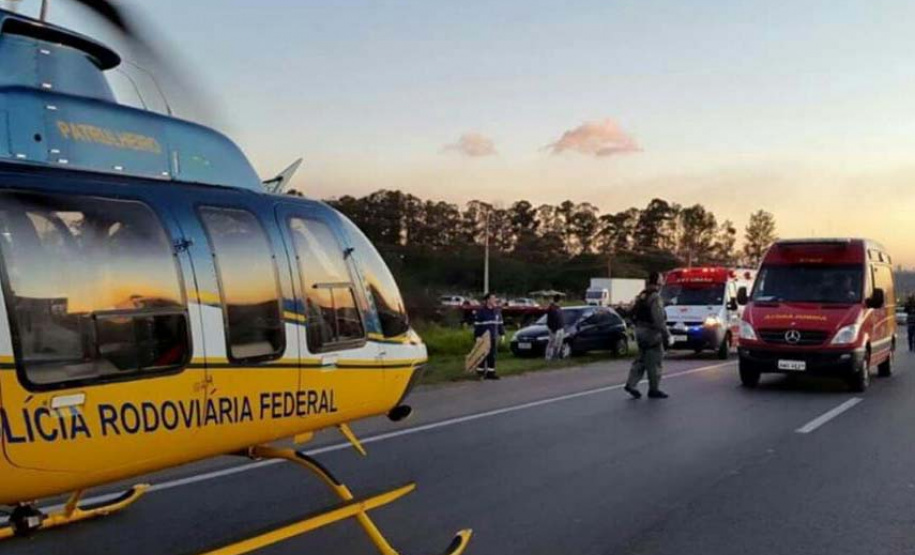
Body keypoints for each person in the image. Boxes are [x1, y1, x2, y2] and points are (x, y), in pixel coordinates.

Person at [625, 272, 672, 399]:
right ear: (657, 281)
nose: (663, 281)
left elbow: (631, 312)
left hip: (639, 330)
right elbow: (658, 319)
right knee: (655, 360)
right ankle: (654, 389)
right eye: (661, 278)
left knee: (641, 359)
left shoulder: (642, 295)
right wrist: (667, 334)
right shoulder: (655, 297)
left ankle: (631, 384)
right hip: (651, 333)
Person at [474, 293, 505, 380]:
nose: (494, 300)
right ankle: (480, 373)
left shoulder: (497, 311)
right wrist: (477, 336)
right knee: (482, 355)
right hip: (484, 337)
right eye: (492, 298)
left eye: (495, 298)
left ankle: (491, 373)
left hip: (493, 337)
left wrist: (502, 334)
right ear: (488, 300)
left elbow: (500, 324)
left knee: (492, 355)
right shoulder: (481, 311)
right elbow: (477, 325)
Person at [545, 294, 565, 360]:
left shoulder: (558, 308)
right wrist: (553, 329)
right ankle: (549, 356)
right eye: (561, 300)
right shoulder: (552, 308)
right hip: (554, 329)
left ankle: (556, 355)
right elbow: (550, 320)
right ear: (558, 300)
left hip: (560, 328)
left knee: (558, 343)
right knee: (552, 342)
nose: (562, 301)